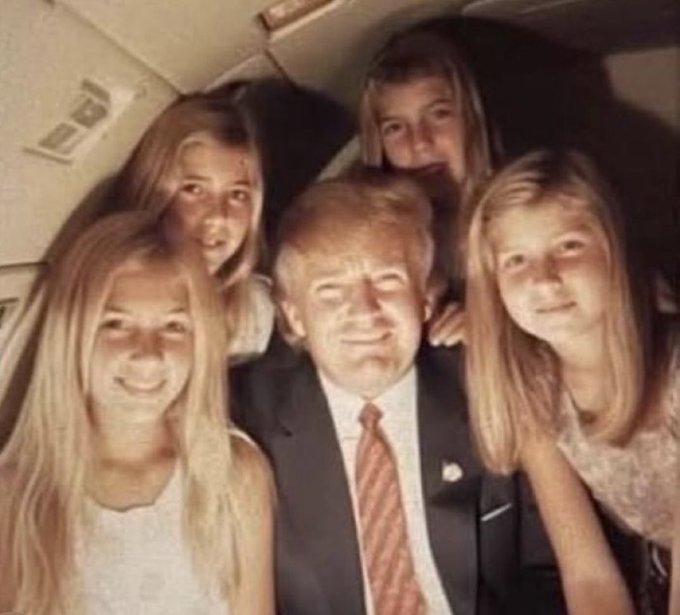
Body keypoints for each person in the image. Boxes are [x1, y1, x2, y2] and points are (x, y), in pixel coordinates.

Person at [232, 172, 565, 615]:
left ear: (425, 300)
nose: (365, 310)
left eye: (387, 280)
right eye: (331, 290)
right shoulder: (245, 416)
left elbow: (548, 574)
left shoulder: (487, 386)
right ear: (293, 317)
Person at [0, 212, 273, 615]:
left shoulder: (233, 474)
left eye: (174, 327)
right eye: (116, 324)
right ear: (72, 335)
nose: (148, 354)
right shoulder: (16, 493)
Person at [464, 149, 678, 615]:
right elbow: (588, 575)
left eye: (568, 247)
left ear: (615, 250)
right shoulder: (535, 390)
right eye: (516, 260)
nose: (544, 280)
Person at [110, 86, 273, 358]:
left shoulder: (257, 314)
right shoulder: (108, 300)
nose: (218, 215)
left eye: (237, 194)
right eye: (194, 190)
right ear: (154, 195)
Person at [359, 27, 495, 346]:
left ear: (472, 120)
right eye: (396, 127)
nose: (419, 142)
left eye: (439, 115)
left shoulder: (525, 217)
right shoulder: (375, 245)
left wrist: (490, 331)